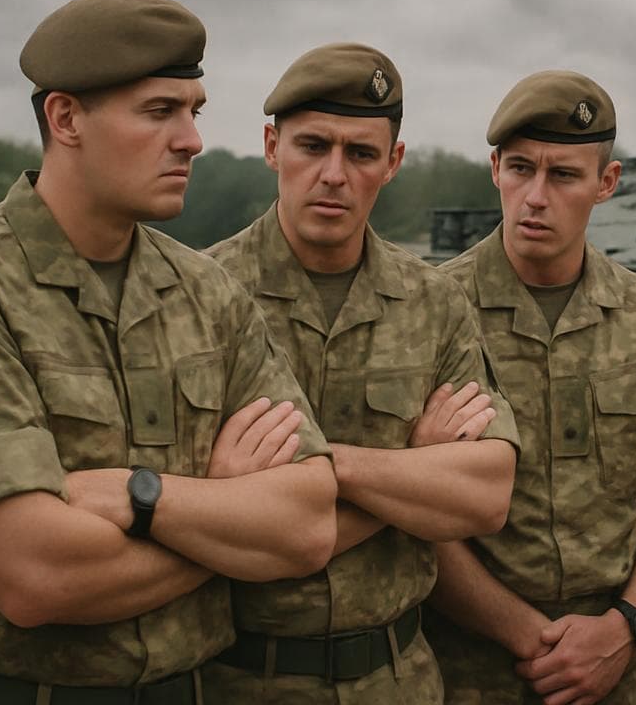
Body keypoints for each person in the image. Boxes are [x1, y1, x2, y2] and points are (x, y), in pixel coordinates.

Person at [0, 0, 337, 704]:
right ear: (65, 118)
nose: (191, 138)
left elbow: (309, 525)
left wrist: (144, 499)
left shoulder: (206, 292)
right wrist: (225, 514)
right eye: (160, 111)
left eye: (194, 110)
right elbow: (36, 575)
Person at [204, 43, 521, 702]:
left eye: (361, 153)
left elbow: (484, 496)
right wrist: (413, 466)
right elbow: (187, 505)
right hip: (235, 679)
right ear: (271, 147)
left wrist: (314, 472)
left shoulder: (434, 302)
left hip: (395, 678)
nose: (333, 174)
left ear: (393, 163)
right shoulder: (199, 296)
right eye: (313, 146)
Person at [425, 69, 636, 705]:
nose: (535, 196)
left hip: (619, 668)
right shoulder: (430, 311)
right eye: (521, 169)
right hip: (468, 668)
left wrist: (627, 624)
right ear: (495, 169)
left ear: (605, 184)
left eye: (564, 175)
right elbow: (417, 510)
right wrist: (523, 631)